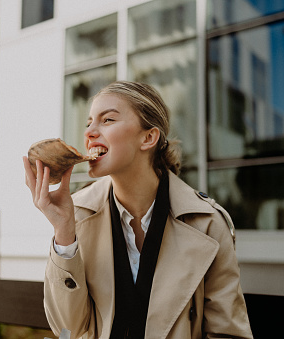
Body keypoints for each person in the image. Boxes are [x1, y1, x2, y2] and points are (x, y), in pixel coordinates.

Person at [23, 81, 253, 339]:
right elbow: (68, 328)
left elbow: (228, 333)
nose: (89, 132)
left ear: (148, 138)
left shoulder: (209, 224)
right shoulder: (76, 214)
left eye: (107, 120)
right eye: (89, 123)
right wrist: (64, 231)